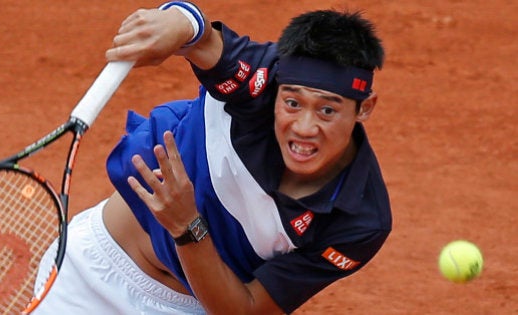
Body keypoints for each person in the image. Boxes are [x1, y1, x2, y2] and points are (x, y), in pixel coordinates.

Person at [33, 2, 391, 314]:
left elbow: (245, 310)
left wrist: (187, 226)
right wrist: (179, 21)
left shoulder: (360, 221)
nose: (305, 128)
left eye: (328, 111)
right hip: (89, 271)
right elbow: (199, 37)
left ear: (365, 107)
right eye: (292, 103)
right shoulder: (260, 83)